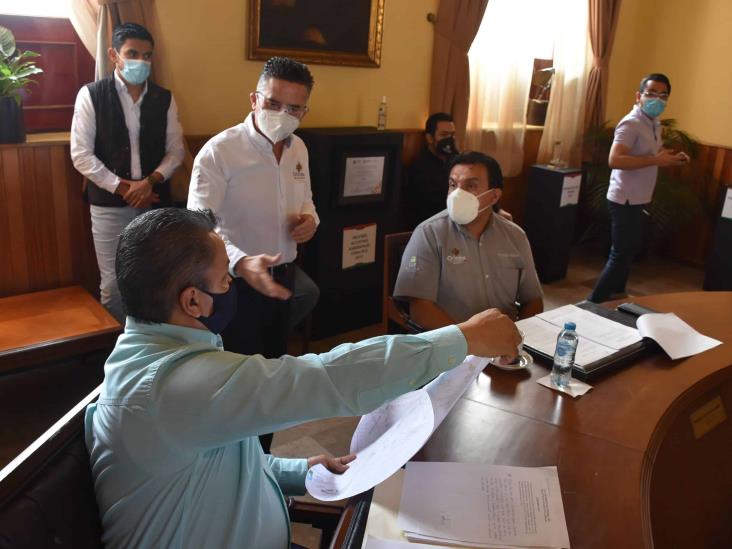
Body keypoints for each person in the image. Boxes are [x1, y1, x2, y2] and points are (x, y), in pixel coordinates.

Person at [84, 207, 522, 549]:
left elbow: (218, 459)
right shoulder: (172, 388)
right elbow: (324, 378)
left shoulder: (164, 358)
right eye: (226, 279)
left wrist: (298, 470)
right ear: (194, 301)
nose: (234, 285)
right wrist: (461, 339)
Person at [187, 57, 319, 362]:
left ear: (304, 111)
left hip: (283, 273)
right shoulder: (220, 151)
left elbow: (306, 198)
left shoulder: (298, 148)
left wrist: (311, 220)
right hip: (231, 281)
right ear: (254, 99)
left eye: (294, 109)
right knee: (237, 368)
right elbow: (198, 225)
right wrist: (241, 262)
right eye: (273, 103)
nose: (283, 115)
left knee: (273, 361)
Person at [70, 23, 184, 322]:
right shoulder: (91, 95)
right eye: (132, 53)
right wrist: (125, 189)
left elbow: (176, 151)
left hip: (155, 201)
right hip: (108, 206)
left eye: (147, 56)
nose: (141, 61)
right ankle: (120, 355)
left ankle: (152, 349)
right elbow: (81, 155)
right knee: (113, 287)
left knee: (156, 280)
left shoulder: (164, 98)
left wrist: (149, 183)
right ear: (113, 55)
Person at [394, 151, 544, 329]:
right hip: (453, 345)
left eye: (471, 186)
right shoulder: (429, 233)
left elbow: (533, 299)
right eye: (453, 184)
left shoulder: (515, 235)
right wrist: (469, 342)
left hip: (504, 345)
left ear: (493, 196)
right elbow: (420, 309)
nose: (458, 193)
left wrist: (516, 337)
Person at [588, 73, 689, 303]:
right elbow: (615, 160)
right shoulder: (631, 123)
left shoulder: (654, 124)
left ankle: (618, 293)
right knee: (620, 254)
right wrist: (657, 160)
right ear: (639, 96)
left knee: (629, 250)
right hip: (624, 198)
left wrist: (671, 159)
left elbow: (650, 156)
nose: (657, 99)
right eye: (651, 93)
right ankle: (592, 303)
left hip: (639, 197)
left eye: (663, 95)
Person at [404, 112, 512, 228]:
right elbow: (426, 207)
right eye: (444, 135)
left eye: (452, 135)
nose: (449, 140)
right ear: (430, 138)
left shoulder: (458, 160)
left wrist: (497, 210)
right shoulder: (419, 167)